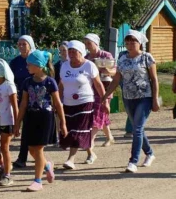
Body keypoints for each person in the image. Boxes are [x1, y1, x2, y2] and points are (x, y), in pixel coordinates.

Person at [103, 30, 160, 173]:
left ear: (139, 43)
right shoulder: (122, 58)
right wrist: (105, 95)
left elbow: (154, 80)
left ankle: (133, 161)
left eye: (132, 42)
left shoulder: (147, 57)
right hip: (128, 98)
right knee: (137, 128)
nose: (129, 45)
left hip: (144, 97)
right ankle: (150, 153)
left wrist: (155, 100)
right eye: (127, 42)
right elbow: (116, 79)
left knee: (137, 129)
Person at [14, 50, 67, 191]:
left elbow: (57, 104)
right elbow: (23, 104)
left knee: (38, 149)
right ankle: (47, 165)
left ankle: (37, 181)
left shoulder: (50, 82)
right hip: (30, 118)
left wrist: (63, 123)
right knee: (32, 150)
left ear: (38, 65)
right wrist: (17, 123)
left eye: (29, 64)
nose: (27, 67)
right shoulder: (27, 82)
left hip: (45, 118)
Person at [59, 40, 107, 170]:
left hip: (85, 102)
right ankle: (91, 153)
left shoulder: (89, 65)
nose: (72, 54)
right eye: (70, 51)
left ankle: (71, 159)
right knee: (70, 130)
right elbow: (61, 84)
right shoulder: (64, 66)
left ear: (81, 52)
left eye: (75, 52)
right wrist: (58, 100)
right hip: (68, 103)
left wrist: (105, 101)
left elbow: (98, 84)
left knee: (77, 130)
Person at [83, 33, 116, 150]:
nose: (87, 45)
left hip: (106, 87)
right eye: (86, 43)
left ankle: (90, 142)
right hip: (91, 89)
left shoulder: (106, 55)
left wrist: (106, 70)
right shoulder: (86, 58)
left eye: (89, 43)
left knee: (98, 113)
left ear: (96, 43)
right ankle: (110, 137)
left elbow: (114, 71)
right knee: (102, 113)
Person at [10, 35, 36, 168]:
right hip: (21, 99)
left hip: (36, 99)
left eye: (24, 44)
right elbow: (11, 80)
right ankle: (22, 157)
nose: (21, 47)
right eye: (19, 44)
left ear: (30, 45)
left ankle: (39, 156)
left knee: (34, 129)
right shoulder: (15, 62)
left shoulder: (36, 59)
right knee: (25, 129)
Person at [0, 59, 18, 186]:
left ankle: (8, 174)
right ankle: (3, 166)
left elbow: (15, 106)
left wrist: (16, 124)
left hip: (7, 121)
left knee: (4, 148)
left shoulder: (9, 86)